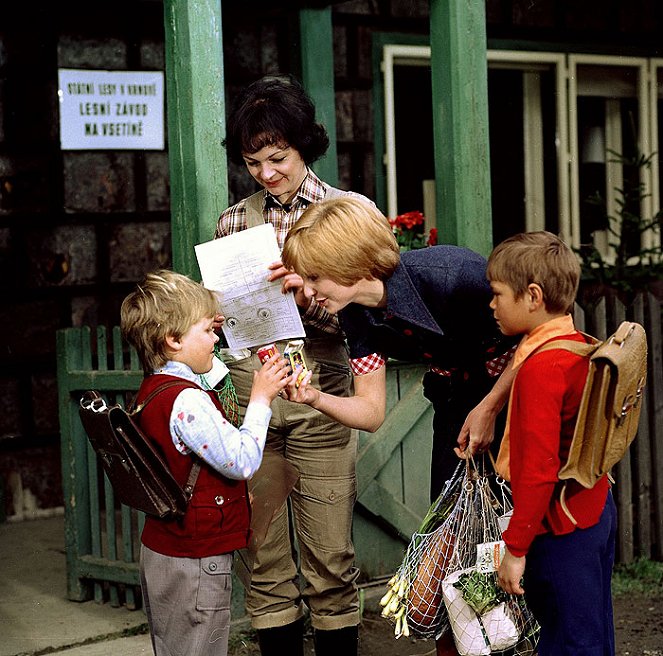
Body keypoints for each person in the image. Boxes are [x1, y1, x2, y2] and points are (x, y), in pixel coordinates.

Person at [281, 197, 518, 656]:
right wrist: (312, 396)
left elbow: (538, 339)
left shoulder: (455, 277)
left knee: (515, 539)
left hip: (515, 403)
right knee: (452, 548)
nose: (306, 291)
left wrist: (490, 407)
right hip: (455, 410)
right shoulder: (354, 312)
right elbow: (370, 413)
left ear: (348, 261)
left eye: (314, 277)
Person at [214, 75, 373, 656]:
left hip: (322, 383)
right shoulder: (234, 222)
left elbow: (371, 312)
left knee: (331, 556)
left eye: (277, 158)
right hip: (252, 388)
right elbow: (228, 321)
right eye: (253, 162)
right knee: (264, 559)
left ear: (306, 145)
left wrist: (309, 299)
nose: (266, 173)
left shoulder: (348, 213)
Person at [120, 270, 291, 656]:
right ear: (174, 340)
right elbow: (243, 460)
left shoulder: (156, 388)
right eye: (207, 331)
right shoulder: (188, 402)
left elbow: (199, 371)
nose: (217, 337)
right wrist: (262, 398)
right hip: (196, 561)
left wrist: (201, 323)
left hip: (162, 551)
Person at [486, 232, 617, 655]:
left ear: (533, 296)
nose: (491, 305)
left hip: (561, 528)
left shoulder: (541, 367)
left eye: (497, 294)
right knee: (592, 633)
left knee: (568, 642)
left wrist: (516, 549)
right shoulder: (581, 346)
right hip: (594, 507)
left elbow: (538, 470)